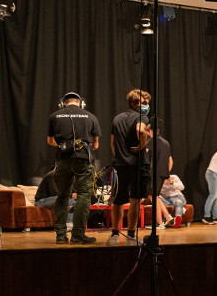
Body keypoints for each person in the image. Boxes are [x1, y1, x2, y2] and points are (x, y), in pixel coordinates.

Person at [45, 91, 100, 245]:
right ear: (80, 103)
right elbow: (95, 145)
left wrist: (65, 145)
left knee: (62, 195)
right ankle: (77, 235)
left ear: (63, 103)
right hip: (83, 160)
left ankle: (61, 236)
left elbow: (50, 141)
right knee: (84, 195)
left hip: (63, 160)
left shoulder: (55, 116)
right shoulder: (91, 116)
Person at [107, 89, 151, 245]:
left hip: (120, 164)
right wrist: (142, 145)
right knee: (136, 200)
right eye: (144, 103)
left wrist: (120, 156)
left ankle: (114, 235)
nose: (147, 106)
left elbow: (112, 143)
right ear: (134, 103)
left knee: (117, 201)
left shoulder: (117, 118)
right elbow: (141, 130)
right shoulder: (142, 117)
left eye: (148, 103)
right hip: (138, 164)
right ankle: (131, 236)